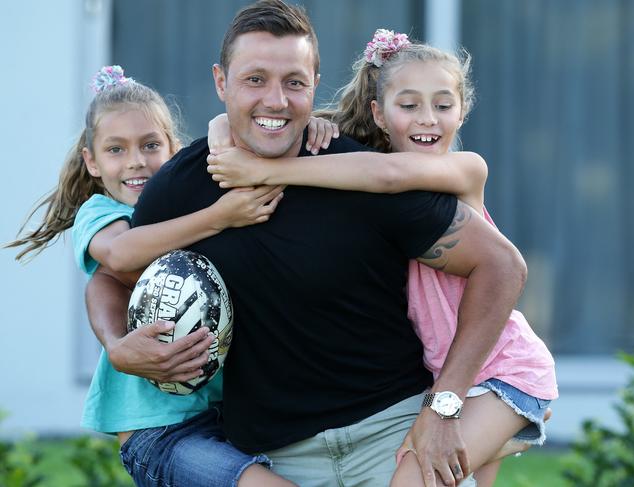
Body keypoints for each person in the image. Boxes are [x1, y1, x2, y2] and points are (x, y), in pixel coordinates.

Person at [86, 1, 527, 486]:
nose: (275, 100)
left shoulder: (362, 176)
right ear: (220, 82)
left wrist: (446, 406)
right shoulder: (180, 187)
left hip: (396, 434)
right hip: (274, 457)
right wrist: (117, 346)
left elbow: (500, 265)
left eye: (294, 82)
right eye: (254, 79)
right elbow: (114, 273)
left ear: (314, 85)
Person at [206, 32, 558, 487]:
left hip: (500, 371)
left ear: (463, 110)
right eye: (408, 105)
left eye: (443, 105)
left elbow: (390, 175)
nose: (427, 119)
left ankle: (505, 431)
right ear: (378, 112)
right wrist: (224, 129)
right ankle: (498, 443)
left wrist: (264, 170)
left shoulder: (467, 168)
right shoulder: (363, 171)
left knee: (412, 478)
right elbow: (274, 129)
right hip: (445, 372)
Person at [6, 65, 294, 487]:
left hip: (227, 417)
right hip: (157, 433)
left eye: (150, 145)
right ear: (92, 161)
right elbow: (119, 257)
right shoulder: (103, 213)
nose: (136, 161)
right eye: (116, 149)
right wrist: (220, 217)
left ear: (174, 150)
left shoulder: (185, 209)